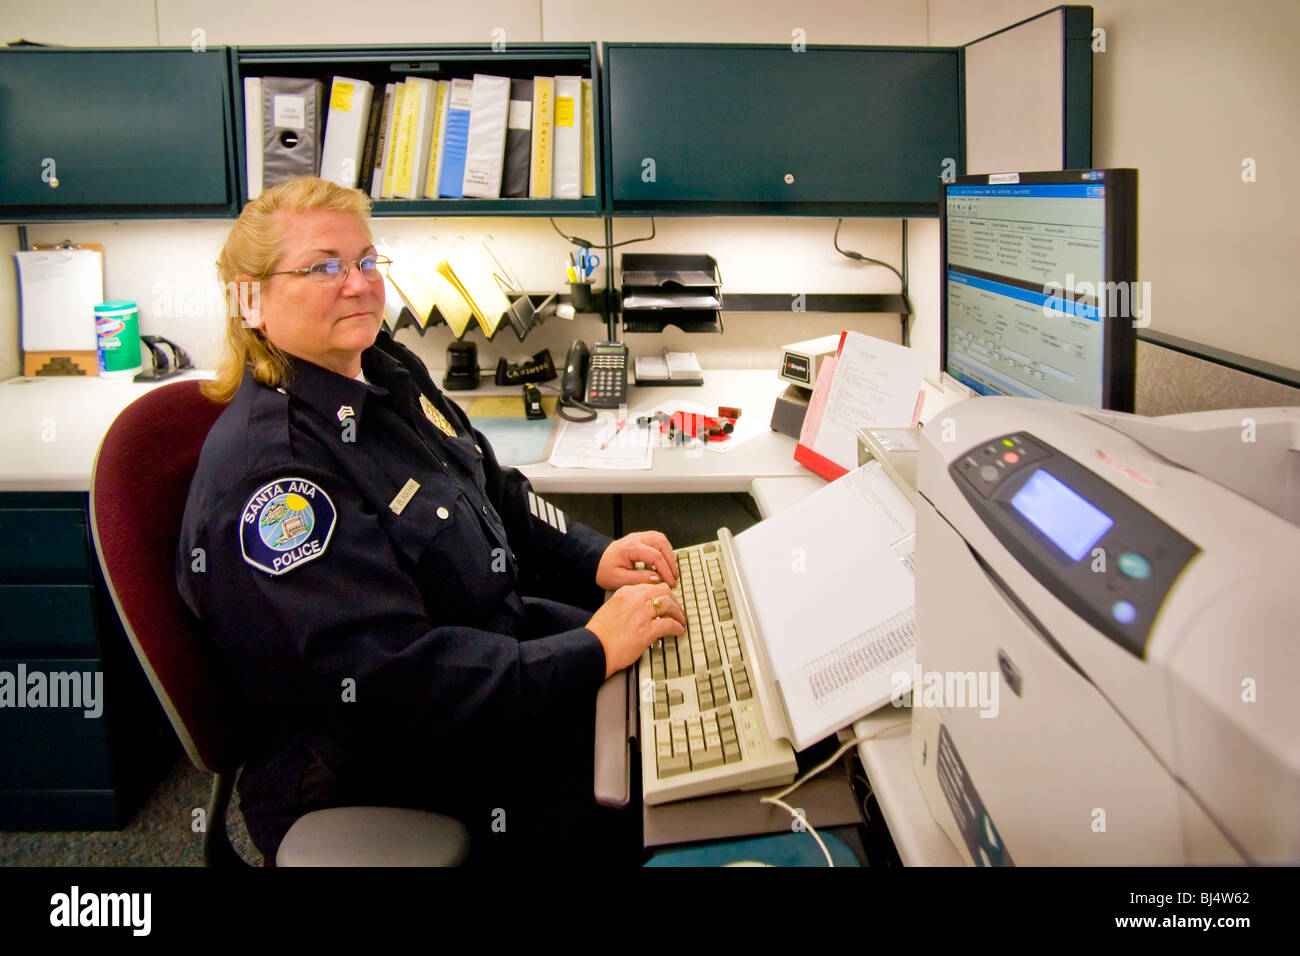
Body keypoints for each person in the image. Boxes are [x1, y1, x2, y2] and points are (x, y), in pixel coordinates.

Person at [175, 176, 686, 865]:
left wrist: (593, 555)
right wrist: (591, 650)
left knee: (669, 664)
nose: (357, 284)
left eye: (365, 261)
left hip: (488, 657)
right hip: (389, 763)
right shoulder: (279, 482)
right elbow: (391, 681)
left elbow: (490, 485)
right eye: (325, 267)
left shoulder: (380, 367)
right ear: (251, 298)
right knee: (669, 799)